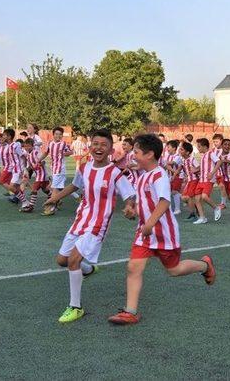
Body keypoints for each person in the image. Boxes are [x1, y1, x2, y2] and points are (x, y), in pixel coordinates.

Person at [108, 134, 216, 325]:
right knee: (133, 267)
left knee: (174, 270)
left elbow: (164, 201)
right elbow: (145, 204)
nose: (133, 156)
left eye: (137, 152)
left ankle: (205, 265)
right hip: (144, 234)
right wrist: (133, 211)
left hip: (164, 234)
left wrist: (150, 223)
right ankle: (130, 311)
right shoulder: (142, 177)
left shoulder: (159, 175)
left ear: (149, 154)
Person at [45, 129, 136, 324]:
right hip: (80, 220)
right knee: (62, 260)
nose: (99, 148)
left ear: (111, 149)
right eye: (95, 144)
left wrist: (129, 207)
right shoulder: (84, 168)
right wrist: (55, 198)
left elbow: (129, 195)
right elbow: (74, 186)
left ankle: (75, 307)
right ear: (90, 146)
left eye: (104, 145)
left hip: (98, 225)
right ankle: (87, 270)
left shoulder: (115, 173)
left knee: (73, 261)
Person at [39, 126, 73, 215]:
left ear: (62, 135)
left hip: (60, 169)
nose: (58, 136)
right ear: (53, 135)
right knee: (58, 188)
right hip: (53, 168)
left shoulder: (63, 144)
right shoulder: (50, 143)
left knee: (54, 188)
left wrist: (64, 153)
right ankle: (58, 200)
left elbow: (71, 152)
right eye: (56, 134)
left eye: (60, 134)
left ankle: (51, 208)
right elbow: (45, 153)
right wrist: (38, 160)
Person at [193, 138, 221, 224]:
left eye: (199, 146)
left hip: (208, 180)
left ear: (205, 147)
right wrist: (196, 170)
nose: (198, 148)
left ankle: (216, 208)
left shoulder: (210, 153)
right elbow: (203, 167)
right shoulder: (203, 155)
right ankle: (202, 218)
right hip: (201, 180)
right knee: (197, 199)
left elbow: (219, 162)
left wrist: (212, 173)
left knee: (204, 196)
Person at [20, 138, 51, 212]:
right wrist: (27, 170)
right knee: (45, 189)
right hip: (38, 174)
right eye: (25, 146)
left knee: (34, 189)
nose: (27, 148)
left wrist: (38, 164)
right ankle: (55, 199)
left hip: (42, 174)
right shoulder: (28, 154)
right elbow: (31, 165)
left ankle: (31, 206)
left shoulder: (36, 152)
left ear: (32, 145)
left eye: (28, 146)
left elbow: (43, 162)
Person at [1, 129, 27, 207]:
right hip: (14, 170)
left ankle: (25, 202)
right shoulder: (9, 146)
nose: (3, 136)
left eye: (4, 135)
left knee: (12, 187)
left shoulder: (15, 145)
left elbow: (22, 156)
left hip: (18, 169)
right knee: (17, 187)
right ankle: (25, 202)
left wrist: (24, 168)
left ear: (9, 137)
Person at [179, 142, 200, 220]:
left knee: (189, 197)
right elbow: (186, 170)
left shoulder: (192, 159)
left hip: (194, 180)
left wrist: (195, 170)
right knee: (183, 198)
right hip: (189, 181)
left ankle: (192, 214)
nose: (180, 151)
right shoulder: (183, 160)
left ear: (187, 152)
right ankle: (197, 208)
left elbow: (199, 168)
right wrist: (186, 176)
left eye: (182, 149)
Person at [163, 139, 183, 215]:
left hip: (178, 176)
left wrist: (164, 163)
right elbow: (165, 165)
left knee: (174, 192)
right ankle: (169, 209)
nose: (167, 149)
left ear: (174, 148)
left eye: (168, 147)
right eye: (167, 147)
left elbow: (172, 163)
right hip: (169, 176)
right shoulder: (167, 156)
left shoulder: (177, 156)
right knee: (168, 193)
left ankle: (177, 209)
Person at [211, 133, 229, 209]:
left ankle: (223, 203)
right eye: (214, 142)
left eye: (217, 141)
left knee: (222, 187)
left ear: (221, 141)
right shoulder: (212, 151)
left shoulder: (224, 150)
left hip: (221, 172)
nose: (215, 143)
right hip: (213, 172)